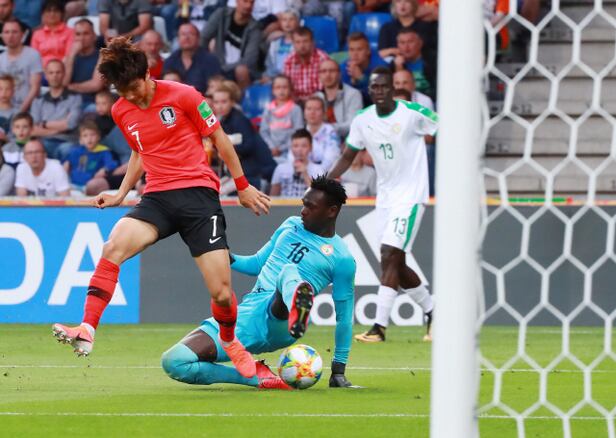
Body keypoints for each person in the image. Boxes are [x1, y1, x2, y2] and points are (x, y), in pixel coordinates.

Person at [51, 38, 270, 381]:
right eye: (122, 91)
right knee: (113, 246)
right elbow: (140, 151)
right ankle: (87, 328)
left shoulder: (184, 95)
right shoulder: (121, 109)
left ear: (146, 74)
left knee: (222, 292)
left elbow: (220, 139)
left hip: (198, 196)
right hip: (157, 197)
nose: (130, 96)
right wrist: (122, 193)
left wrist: (242, 186)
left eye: (133, 88)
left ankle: (229, 340)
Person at [162, 176, 357, 390]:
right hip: (249, 316)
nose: (303, 211)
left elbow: (344, 318)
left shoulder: (342, 259)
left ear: (331, 211)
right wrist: (224, 255)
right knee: (174, 361)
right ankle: (255, 376)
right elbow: (256, 264)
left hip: (282, 322)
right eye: (304, 204)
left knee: (287, 271)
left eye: (311, 207)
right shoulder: (290, 225)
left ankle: (296, 306)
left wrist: (338, 371)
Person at [327, 66, 438, 342]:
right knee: (394, 262)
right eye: (374, 87)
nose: (379, 91)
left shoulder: (411, 113)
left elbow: (443, 128)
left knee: (390, 253)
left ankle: (379, 327)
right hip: (385, 198)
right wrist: (325, 182)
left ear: (392, 89)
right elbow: (348, 155)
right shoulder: (362, 120)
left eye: (384, 86)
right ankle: (435, 313)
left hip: (411, 196)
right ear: (370, 90)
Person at [212, 81, 275, 191]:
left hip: (256, 173)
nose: (220, 106)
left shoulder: (239, 120)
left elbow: (248, 146)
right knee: (216, 189)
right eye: (216, 102)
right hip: (241, 173)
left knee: (221, 192)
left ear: (232, 102)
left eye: (224, 101)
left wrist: (226, 151)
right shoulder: (223, 121)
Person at [201, 0, 263, 89]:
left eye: (251, 2)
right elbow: (204, 37)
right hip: (217, 64)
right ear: (237, 1)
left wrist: (223, 69)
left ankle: (243, 97)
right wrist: (207, 59)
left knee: (241, 70)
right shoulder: (222, 15)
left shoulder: (255, 28)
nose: (248, 6)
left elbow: (249, 60)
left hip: (236, 70)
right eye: (245, 1)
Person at [31, 59, 82, 159]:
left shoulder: (75, 98)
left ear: (64, 74)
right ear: (46, 76)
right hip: (44, 142)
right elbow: (33, 129)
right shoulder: (38, 101)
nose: (54, 76)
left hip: (67, 141)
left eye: (58, 72)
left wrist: (44, 124)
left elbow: (71, 124)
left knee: (67, 149)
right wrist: (60, 128)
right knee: (33, 149)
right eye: (51, 73)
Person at [378, 0, 437, 76]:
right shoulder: (387, 28)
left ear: (413, 5)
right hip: (395, 66)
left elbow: (429, 50)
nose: (402, 5)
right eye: (398, 2)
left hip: (422, 67)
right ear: (394, 6)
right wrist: (399, 53)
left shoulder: (425, 26)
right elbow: (382, 53)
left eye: (407, 1)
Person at [163, 23, 221, 94]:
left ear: (198, 38)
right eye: (183, 34)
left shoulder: (211, 60)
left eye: (191, 34)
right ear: (178, 39)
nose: (187, 37)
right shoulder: (170, 61)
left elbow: (215, 87)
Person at [63, 120, 118, 191]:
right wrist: (66, 164)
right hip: (73, 185)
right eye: (85, 136)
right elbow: (66, 163)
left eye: (92, 135)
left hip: (90, 186)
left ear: (98, 137)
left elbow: (112, 164)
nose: (89, 138)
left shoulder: (104, 151)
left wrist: (105, 169)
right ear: (81, 140)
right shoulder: (76, 151)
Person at [0, 19, 42, 112]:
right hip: (4, 110)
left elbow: (35, 88)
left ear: (22, 35)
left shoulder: (33, 55)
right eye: (7, 32)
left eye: (14, 32)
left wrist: (20, 112)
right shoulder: (1, 59)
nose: (10, 36)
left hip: (29, 110)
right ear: (2, 36)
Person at [259, 74, 303, 163]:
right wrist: (272, 147)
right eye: (278, 87)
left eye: (285, 87)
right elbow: (263, 131)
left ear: (290, 89)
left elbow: (298, 133)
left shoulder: (295, 109)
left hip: (290, 151)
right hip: (271, 151)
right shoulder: (268, 109)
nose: (281, 90)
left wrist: (281, 149)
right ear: (273, 90)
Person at [315, 58, 363, 139]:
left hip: (348, 141)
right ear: (319, 76)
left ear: (339, 74)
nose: (328, 75)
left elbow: (353, 124)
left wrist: (328, 128)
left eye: (332, 71)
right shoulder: (316, 97)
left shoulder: (353, 94)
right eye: (323, 71)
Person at [63, 18, 104, 108]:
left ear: (94, 36)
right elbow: (63, 82)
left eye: (86, 33)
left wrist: (70, 87)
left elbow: (96, 85)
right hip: (68, 104)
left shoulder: (102, 56)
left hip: (91, 103)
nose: (81, 38)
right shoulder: (69, 57)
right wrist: (72, 55)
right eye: (78, 34)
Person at [270, 128, 324, 197]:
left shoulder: (318, 170)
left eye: (304, 146)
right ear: (291, 148)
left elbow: (319, 197)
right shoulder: (280, 168)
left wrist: (305, 174)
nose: (299, 150)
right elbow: (273, 197)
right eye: (295, 146)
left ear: (310, 148)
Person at [283, 26, 330, 101]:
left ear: (312, 42)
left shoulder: (323, 59)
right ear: (293, 44)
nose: (302, 46)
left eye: (305, 41)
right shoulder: (289, 61)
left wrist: (309, 100)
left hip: (318, 101)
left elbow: (326, 87)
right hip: (296, 101)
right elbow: (288, 87)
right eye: (298, 42)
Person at [341, 32, 386, 105]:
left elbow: (380, 97)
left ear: (368, 51)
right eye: (351, 50)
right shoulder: (344, 68)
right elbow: (343, 99)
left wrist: (362, 78)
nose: (355, 54)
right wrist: (353, 82)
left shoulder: (380, 67)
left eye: (359, 49)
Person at [391, 29, 433, 97]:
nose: (406, 47)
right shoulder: (392, 65)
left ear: (420, 43)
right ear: (397, 45)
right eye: (402, 43)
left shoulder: (432, 62)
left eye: (410, 42)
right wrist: (398, 68)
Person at [31, 0, 74, 66]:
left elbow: (69, 55)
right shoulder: (37, 34)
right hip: (41, 68)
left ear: (62, 14)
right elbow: (34, 57)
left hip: (62, 67)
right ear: (43, 14)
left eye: (56, 11)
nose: (52, 14)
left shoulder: (70, 32)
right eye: (48, 11)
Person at [303, 95, 340, 171]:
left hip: (325, 175)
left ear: (324, 113)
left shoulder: (331, 132)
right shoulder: (301, 132)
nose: (312, 112)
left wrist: (308, 169)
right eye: (309, 109)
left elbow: (329, 162)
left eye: (317, 109)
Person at [263, 8, 299, 81]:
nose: (287, 23)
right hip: (273, 77)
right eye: (284, 20)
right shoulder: (274, 43)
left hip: (292, 78)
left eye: (291, 19)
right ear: (280, 23)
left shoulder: (300, 43)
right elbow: (269, 64)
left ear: (297, 22)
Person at [0, 73, 16, 140]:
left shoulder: (18, 113)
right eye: (0, 89)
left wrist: (6, 138)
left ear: (13, 92)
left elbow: (19, 139)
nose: (4, 93)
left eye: (8, 89)